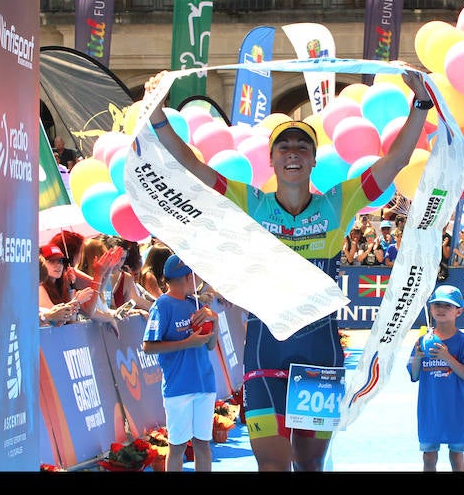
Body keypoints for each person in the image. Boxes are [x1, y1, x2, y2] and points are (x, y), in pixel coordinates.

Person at [143, 62, 434, 471]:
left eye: (302, 147)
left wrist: (421, 102)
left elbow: (396, 159)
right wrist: (156, 115)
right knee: (274, 468)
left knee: (310, 467)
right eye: (284, 147)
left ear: (314, 160)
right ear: (272, 160)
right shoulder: (251, 203)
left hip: (320, 354)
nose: (293, 153)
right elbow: (192, 166)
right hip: (265, 353)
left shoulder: (338, 202)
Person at [142, 254, 219, 472]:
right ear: (187, 277)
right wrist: (188, 342)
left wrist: (215, 320)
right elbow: (148, 346)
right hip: (178, 387)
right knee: (177, 446)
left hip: (204, 383)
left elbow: (210, 345)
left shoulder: (195, 303)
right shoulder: (162, 305)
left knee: (202, 444)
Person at [407, 286, 464, 472]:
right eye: (437, 304)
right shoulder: (422, 340)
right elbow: (414, 375)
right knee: (429, 457)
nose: (441, 308)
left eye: (448, 305)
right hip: (431, 409)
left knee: (456, 457)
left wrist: (447, 358)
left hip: (456, 410)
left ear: (459, 311)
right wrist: (419, 357)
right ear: (430, 308)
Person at [39, 244, 120, 335]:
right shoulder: (40, 288)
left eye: (60, 261)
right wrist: (77, 301)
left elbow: (73, 318)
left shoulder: (64, 281)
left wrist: (108, 269)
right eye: (51, 261)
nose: (57, 265)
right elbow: (59, 320)